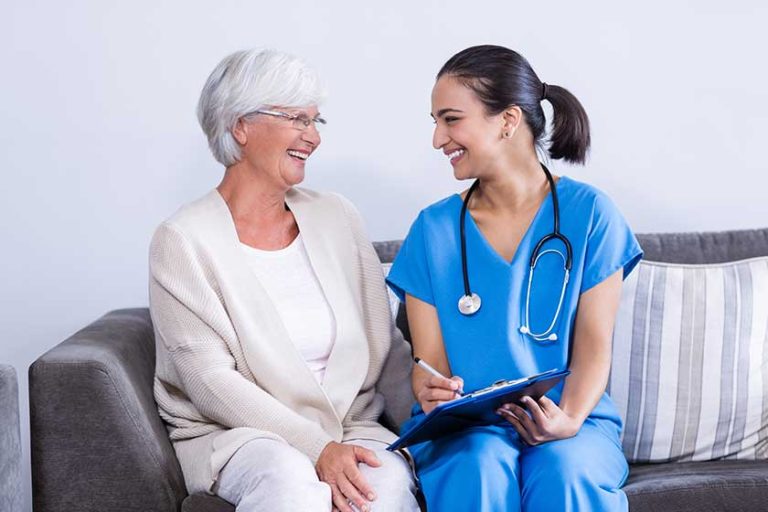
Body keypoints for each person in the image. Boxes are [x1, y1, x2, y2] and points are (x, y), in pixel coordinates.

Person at [150, 48, 419, 512]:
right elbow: (212, 382)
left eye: (316, 121)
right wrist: (318, 451)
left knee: (383, 488)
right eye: (297, 119)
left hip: (350, 425)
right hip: (241, 437)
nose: (312, 137)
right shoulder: (182, 240)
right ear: (240, 126)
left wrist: (434, 418)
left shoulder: (337, 215)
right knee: (291, 483)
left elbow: (388, 350)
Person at [386, 45, 643, 511]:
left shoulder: (590, 215)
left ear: (507, 120)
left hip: (570, 417)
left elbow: (592, 347)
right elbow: (432, 365)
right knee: (478, 466)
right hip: (466, 430)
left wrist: (568, 419)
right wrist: (427, 385)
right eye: (435, 121)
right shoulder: (433, 230)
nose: (437, 139)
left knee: (567, 470)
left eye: (450, 119)